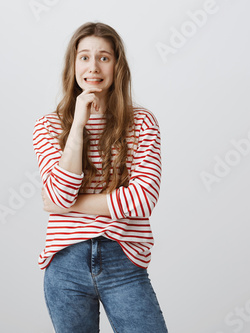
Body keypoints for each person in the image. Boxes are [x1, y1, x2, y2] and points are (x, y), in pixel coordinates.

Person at [32, 22, 168, 333]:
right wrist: (78, 123)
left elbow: (143, 199)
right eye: (84, 57)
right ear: (73, 64)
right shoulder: (49, 126)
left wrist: (66, 205)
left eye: (104, 57)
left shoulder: (142, 123)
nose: (93, 67)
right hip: (65, 265)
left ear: (117, 65)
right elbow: (59, 194)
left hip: (124, 260)